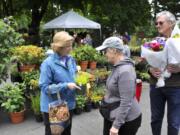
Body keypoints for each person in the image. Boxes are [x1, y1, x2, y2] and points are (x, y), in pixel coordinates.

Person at [96, 37, 141, 135]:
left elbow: (126, 101)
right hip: (113, 115)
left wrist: (116, 126)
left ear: (114, 51)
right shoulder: (117, 66)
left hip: (125, 121)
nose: (104, 55)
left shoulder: (125, 71)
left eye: (105, 51)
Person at [39, 31, 80, 135]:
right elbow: (44, 87)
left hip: (68, 104)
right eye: (67, 46)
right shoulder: (48, 64)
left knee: (66, 131)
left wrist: (78, 79)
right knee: (55, 133)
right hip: (54, 107)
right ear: (58, 47)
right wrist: (65, 85)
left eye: (71, 45)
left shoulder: (70, 59)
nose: (70, 48)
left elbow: (74, 73)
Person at [148, 11, 180, 135]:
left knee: (173, 123)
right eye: (156, 23)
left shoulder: (179, 40)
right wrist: (149, 69)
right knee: (155, 120)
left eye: (161, 22)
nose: (157, 25)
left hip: (175, 87)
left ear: (171, 23)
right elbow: (145, 61)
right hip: (155, 86)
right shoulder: (155, 41)